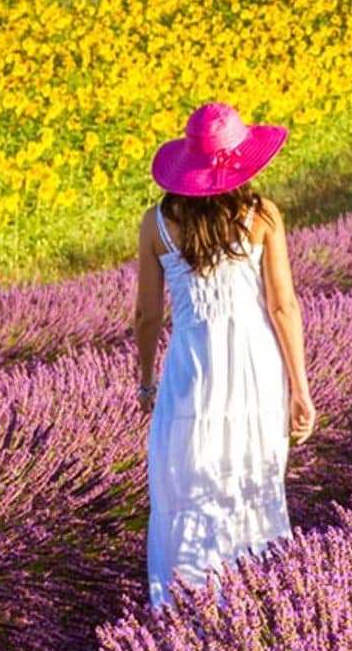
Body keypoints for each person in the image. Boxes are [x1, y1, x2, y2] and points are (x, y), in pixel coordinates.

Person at [133, 101, 318, 610]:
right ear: (240, 164)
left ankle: (184, 609)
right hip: (257, 371)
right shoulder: (261, 216)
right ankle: (254, 608)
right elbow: (283, 306)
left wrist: (146, 382)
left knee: (187, 483)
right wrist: (300, 389)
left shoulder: (157, 223)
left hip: (192, 371)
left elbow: (147, 316)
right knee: (251, 481)